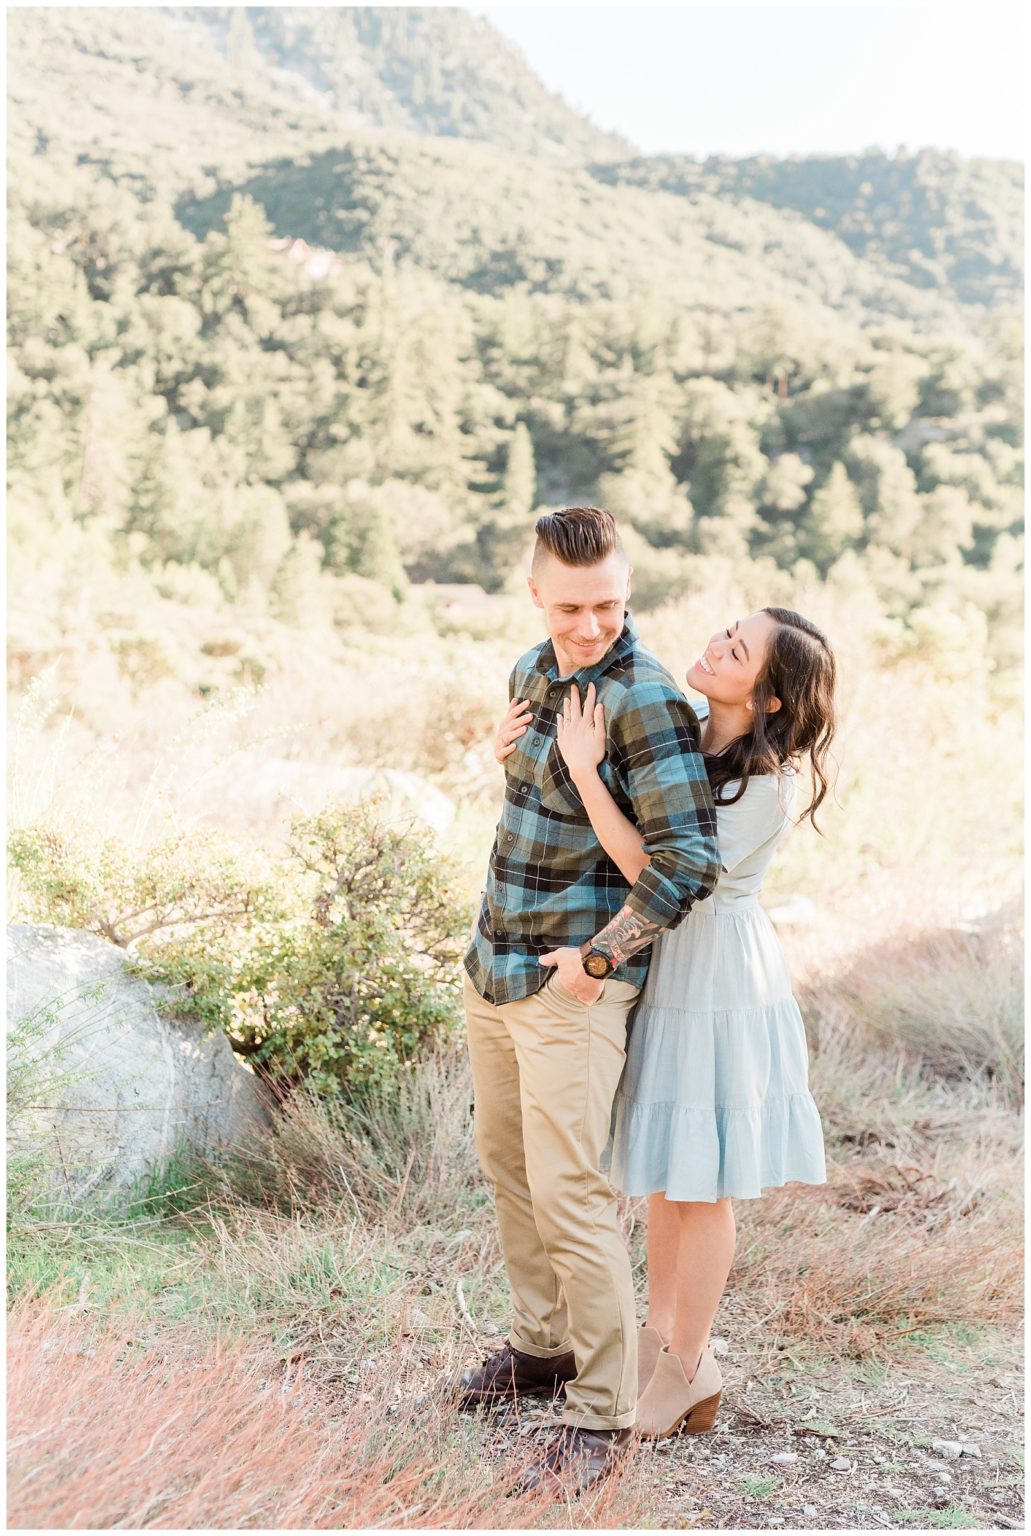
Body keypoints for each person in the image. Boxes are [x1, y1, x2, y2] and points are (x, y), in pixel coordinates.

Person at [525, 606, 835, 1440]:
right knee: (670, 1171)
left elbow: (660, 871)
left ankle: (689, 1363)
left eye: (735, 649)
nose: (713, 644)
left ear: (768, 698)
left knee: (703, 1185)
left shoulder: (766, 788)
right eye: (724, 631)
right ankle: (661, 1345)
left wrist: (588, 774)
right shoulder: (691, 729)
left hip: (717, 981)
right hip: (670, 965)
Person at [458, 506, 720, 1493]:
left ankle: (603, 1415)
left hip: (571, 987)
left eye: (607, 604)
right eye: (570, 605)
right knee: (507, 1169)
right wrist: (507, 755)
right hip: (493, 965)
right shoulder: (532, 667)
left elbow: (687, 861)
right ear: (534, 594)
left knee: (568, 1195)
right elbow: (532, 799)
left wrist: (598, 963)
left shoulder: (647, 701)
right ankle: (538, 1355)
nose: (590, 624)